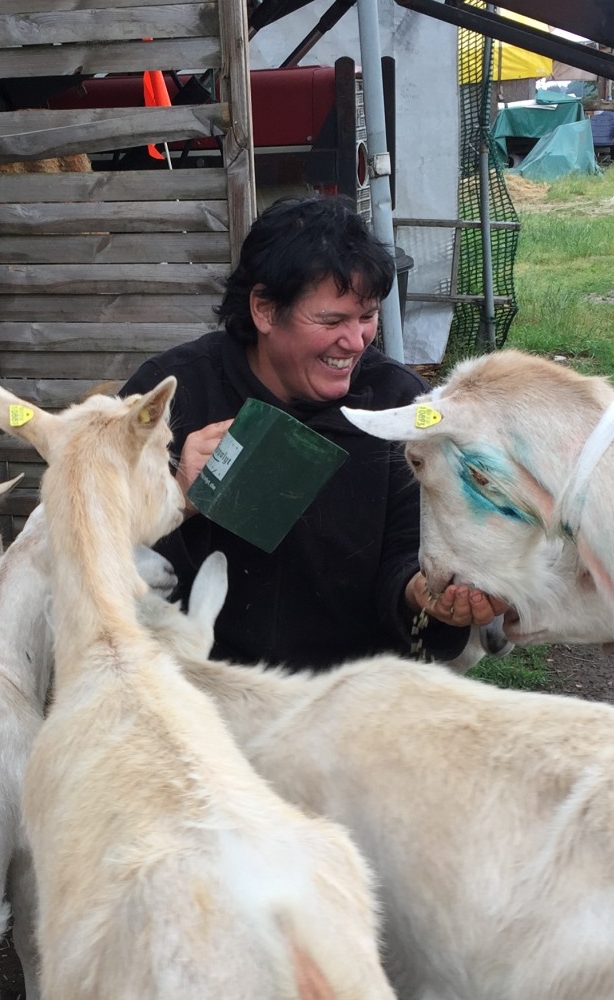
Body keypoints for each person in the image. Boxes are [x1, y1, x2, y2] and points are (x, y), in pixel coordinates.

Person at [119, 194, 503, 670]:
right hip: (197, 683)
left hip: (345, 693)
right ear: (263, 309)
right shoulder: (171, 400)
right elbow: (90, 542)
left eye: (367, 317)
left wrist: (425, 594)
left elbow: (410, 552)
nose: (355, 340)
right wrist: (173, 497)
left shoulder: (400, 409)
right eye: (331, 320)